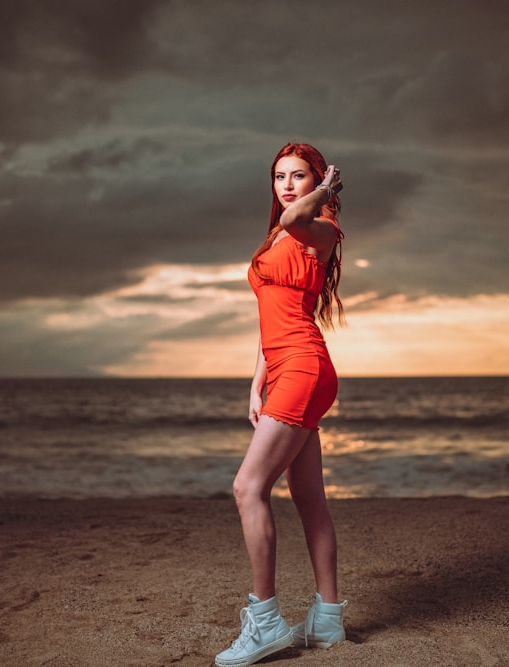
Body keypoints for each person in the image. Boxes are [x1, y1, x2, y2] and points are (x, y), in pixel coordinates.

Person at [215, 143, 348, 667]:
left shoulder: (320, 228)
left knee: (248, 487)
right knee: (308, 496)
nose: (287, 186)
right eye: (279, 177)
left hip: (304, 367)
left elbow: (297, 213)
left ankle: (265, 620)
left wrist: (323, 194)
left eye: (299, 176)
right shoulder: (283, 235)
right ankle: (328, 618)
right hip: (288, 368)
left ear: (319, 180)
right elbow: (274, 313)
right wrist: (257, 380)